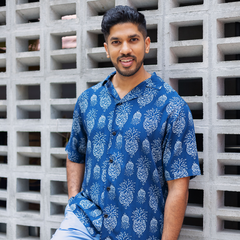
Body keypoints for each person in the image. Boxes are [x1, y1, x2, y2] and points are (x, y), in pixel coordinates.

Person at [51, 5, 201, 240]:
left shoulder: (172, 107)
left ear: (147, 44)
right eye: (116, 42)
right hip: (84, 222)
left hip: (137, 231)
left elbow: (178, 187)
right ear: (106, 49)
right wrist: (73, 201)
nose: (126, 49)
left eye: (133, 39)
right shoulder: (88, 101)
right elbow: (75, 154)